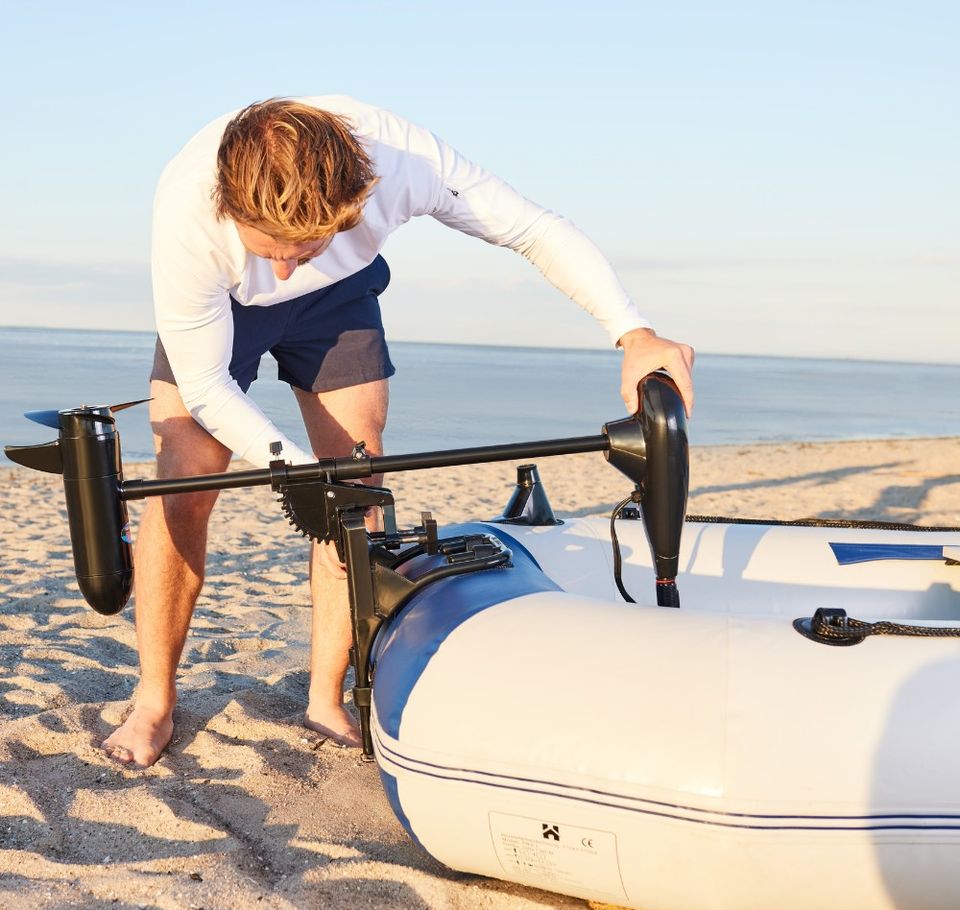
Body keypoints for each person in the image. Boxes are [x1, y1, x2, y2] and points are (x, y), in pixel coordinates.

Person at [101, 96, 695, 766]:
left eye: (308, 246)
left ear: (357, 197)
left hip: (340, 299)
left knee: (357, 481)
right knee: (182, 478)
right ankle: (154, 699)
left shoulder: (402, 158)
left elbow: (531, 228)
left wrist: (633, 331)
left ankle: (325, 698)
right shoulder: (189, 211)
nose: (289, 267)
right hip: (223, 304)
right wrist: (292, 467)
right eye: (275, 249)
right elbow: (207, 388)